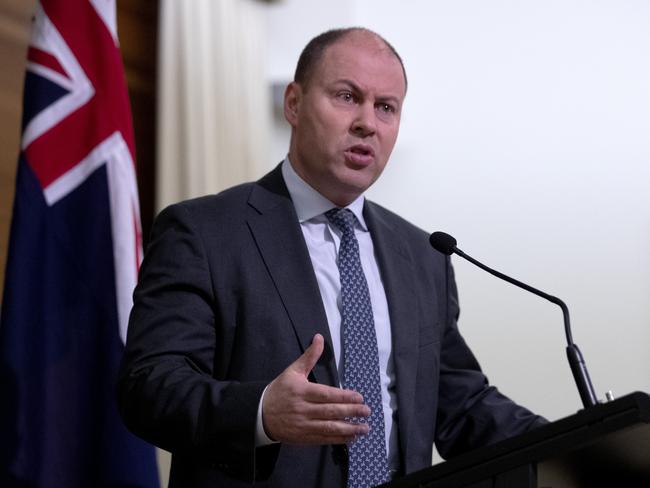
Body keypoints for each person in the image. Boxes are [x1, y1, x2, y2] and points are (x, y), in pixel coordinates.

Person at [117, 27, 545, 488]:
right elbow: (149, 386)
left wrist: (584, 441)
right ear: (294, 104)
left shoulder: (423, 256)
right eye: (346, 96)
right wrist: (262, 411)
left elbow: (460, 407)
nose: (367, 123)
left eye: (386, 107)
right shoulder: (205, 232)